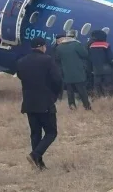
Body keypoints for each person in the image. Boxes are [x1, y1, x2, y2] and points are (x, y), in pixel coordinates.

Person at [16, 37, 63, 170]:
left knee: (35, 133)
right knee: (51, 132)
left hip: (29, 102)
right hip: (45, 101)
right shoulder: (47, 60)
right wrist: (55, 94)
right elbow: (57, 79)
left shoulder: (21, 61)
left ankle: (38, 164)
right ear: (42, 46)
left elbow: (20, 76)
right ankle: (35, 155)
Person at [55, 30, 92, 110]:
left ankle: (72, 107)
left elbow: (57, 58)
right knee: (82, 90)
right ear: (75, 36)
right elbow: (85, 54)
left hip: (67, 72)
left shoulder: (59, 47)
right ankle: (87, 106)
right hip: (78, 72)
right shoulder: (77, 45)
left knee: (70, 91)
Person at [88, 30, 113, 97]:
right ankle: (108, 98)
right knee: (108, 85)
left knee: (97, 85)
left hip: (96, 70)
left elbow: (89, 58)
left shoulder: (91, 46)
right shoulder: (106, 45)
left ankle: (99, 99)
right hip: (106, 69)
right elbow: (111, 57)